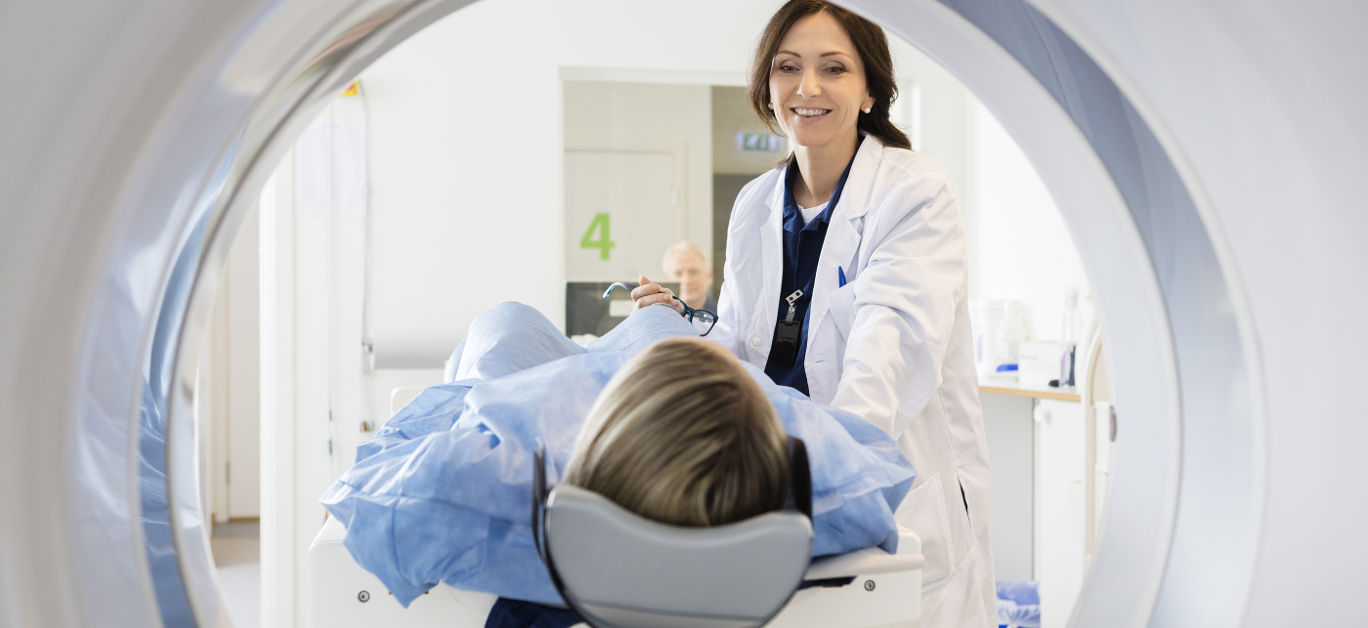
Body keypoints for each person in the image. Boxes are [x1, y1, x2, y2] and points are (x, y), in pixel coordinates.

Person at [631, 1, 995, 624]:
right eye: (788, 67)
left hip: (884, 490)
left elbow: (892, 353)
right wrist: (687, 330)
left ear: (870, 92)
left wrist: (824, 477)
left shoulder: (913, 193)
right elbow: (748, 346)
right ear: (767, 87)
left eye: (834, 68)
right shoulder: (755, 204)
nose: (808, 87)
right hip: (775, 485)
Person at [659, 240, 718, 312]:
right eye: (678, 273)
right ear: (668, 279)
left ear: (709, 277)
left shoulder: (725, 317)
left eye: (693, 272)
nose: (686, 280)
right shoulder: (660, 316)